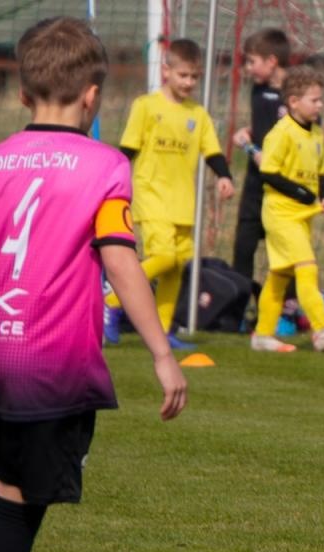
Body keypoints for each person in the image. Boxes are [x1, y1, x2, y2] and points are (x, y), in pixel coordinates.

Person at [0, 17, 188, 552]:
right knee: (21, 504)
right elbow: (120, 260)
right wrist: (162, 354)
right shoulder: (104, 166)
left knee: (6, 493)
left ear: (23, 93)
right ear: (92, 95)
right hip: (50, 359)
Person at [105, 38, 236, 350]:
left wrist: (224, 176)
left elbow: (212, 151)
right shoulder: (146, 106)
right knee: (163, 257)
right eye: (183, 75)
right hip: (152, 196)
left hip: (182, 203)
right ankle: (109, 302)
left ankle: (162, 330)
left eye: (194, 77)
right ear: (166, 71)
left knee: (176, 267)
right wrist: (109, 181)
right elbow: (128, 149)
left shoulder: (198, 114)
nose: (189, 82)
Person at [249, 65, 324, 353]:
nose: (320, 105)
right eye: (314, 100)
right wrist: (301, 192)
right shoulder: (281, 133)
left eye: (321, 100)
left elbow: (320, 172)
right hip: (280, 214)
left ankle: (262, 335)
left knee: (279, 275)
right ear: (294, 102)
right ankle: (322, 331)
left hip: (303, 215)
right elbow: (269, 172)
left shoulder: (316, 133)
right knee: (307, 267)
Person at [229, 28, 291, 284]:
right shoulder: (258, 90)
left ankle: (289, 302)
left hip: (283, 185)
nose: (247, 67)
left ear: (272, 61)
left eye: (252, 61)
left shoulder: (296, 95)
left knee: (285, 252)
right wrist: (251, 131)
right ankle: (239, 298)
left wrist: (247, 146)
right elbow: (268, 127)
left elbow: (268, 157)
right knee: (244, 245)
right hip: (255, 185)